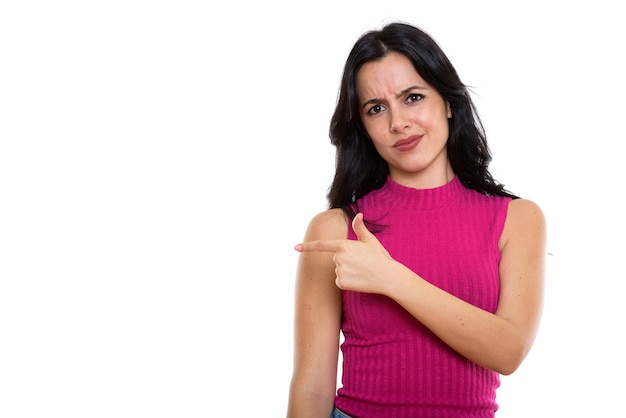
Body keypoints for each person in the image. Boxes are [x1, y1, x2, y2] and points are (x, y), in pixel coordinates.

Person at [286, 22, 546, 418]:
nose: (398, 123)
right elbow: (311, 387)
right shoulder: (338, 229)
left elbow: (508, 351)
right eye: (376, 108)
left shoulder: (515, 219)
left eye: (412, 97)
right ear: (363, 127)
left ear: (447, 101)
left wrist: (391, 278)